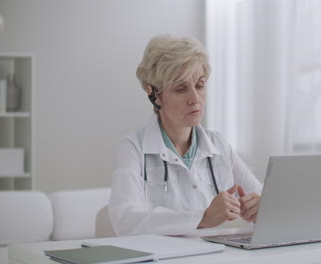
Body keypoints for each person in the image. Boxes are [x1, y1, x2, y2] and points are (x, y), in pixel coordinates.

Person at [109, 35, 263, 236]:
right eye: (181, 89)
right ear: (153, 95)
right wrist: (203, 218)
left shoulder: (219, 145)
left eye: (199, 85)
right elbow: (126, 220)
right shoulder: (133, 147)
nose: (195, 99)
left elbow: (260, 195)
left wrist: (258, 206)